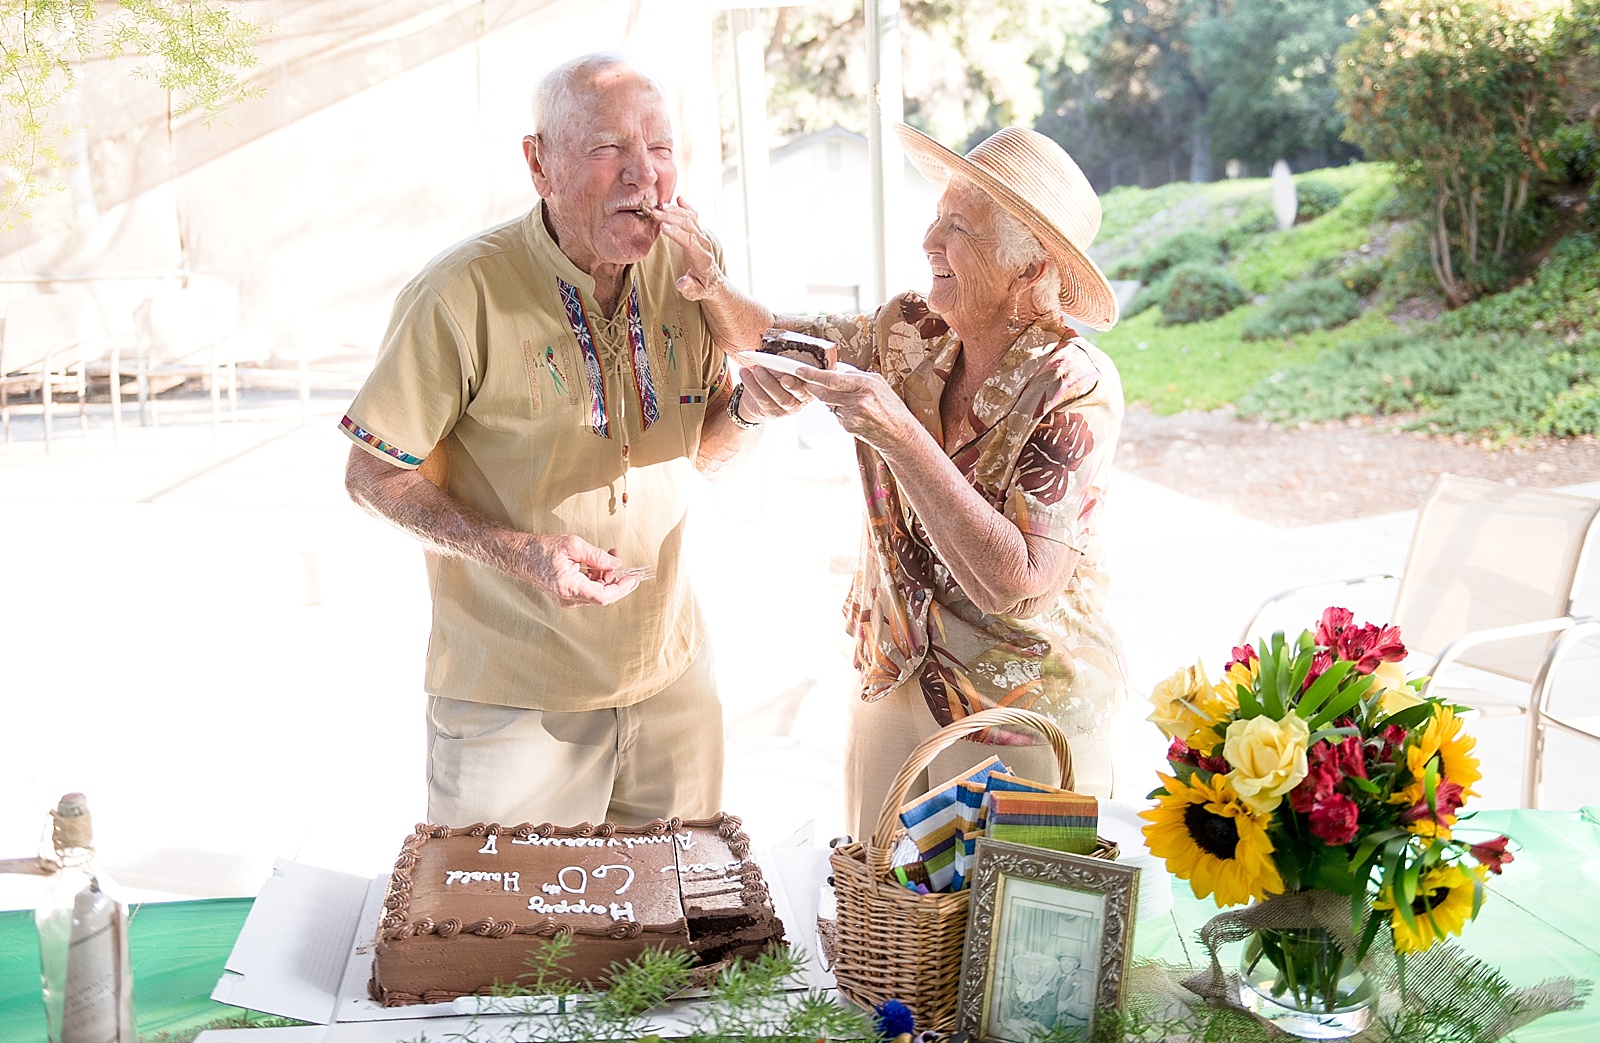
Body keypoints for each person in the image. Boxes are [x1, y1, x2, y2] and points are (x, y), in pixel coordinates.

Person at [340, 53, 771, 829]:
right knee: (507, 942)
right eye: (609, 148)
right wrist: (521, 552)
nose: (644, 176)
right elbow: (371, 476)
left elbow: (703, 452)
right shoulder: (458, 293)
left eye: (661, 149)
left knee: (674, 935)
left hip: (669, 676)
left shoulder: (689, 271)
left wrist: (751, 410)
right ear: (540, 163)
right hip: (512, 698)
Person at [669, 125, 1127, 842]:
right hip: (895, 669)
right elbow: (771, 340)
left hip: (1020, 712)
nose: (928, 240)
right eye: (936, 215)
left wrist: (898, 433)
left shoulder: (1074, 386)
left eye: (958, 228)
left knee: (997, 938)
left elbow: (1021, 581)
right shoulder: (911, 328)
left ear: (1031, 265)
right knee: (878, 915)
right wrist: (709, 283)